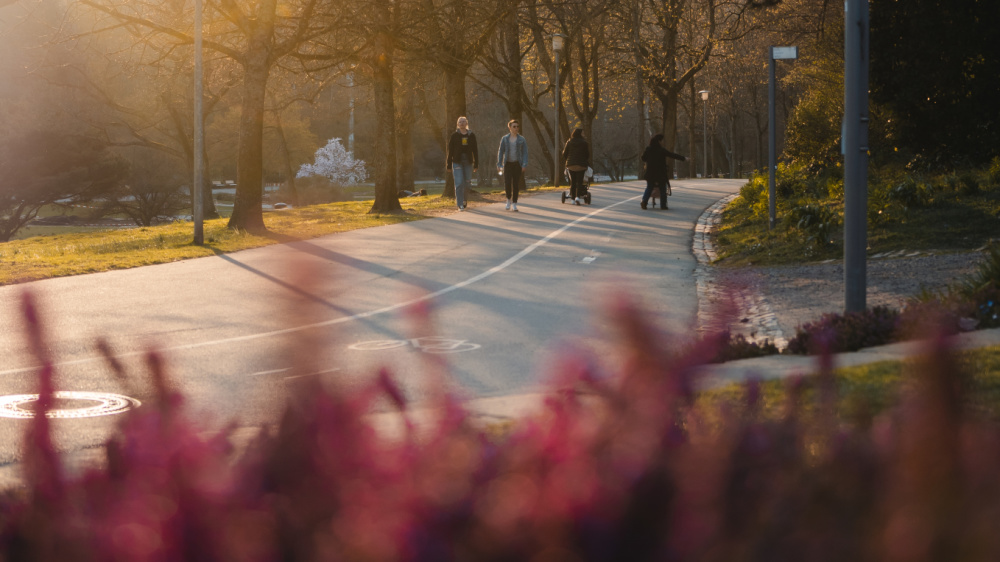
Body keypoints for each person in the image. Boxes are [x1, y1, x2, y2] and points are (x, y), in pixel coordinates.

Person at [640, 134, 686, 210]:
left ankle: (644, 202)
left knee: (649, 187)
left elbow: (643, 158)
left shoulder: (648, 149)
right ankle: (663, 205)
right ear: (659, 141)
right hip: (660, 174)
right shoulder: (661, 150)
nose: (663, 142)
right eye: (662, 141)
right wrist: (683, 158)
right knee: (662, 189)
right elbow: (672, 155)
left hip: (650, 173)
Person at [446, 116, 478, 211]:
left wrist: (476, 164)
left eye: (464, 121)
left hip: (468, 161)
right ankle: (459, 204)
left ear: (466, 123)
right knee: (459, 183)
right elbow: (450, 151)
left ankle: (464, 200)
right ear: (458, 124)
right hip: (457, 162)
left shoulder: (471, 135)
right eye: (460, 122)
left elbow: (475, 150)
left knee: (467, 184)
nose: (462, 123)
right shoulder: (454, 136)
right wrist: (448, 164)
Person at [496, 119, 528, 211]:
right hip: (507, 164)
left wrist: (524, 164)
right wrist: (499, 164)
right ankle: (508, 200)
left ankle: (514, 203)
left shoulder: (522, 139)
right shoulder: (505, 139)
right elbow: (500, 151)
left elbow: (525, 152)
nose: (516, 128)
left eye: (517, 126)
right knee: (507, 183)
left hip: (517, 164)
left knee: (516, 184)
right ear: (510, 127)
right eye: (514, 126)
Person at [561, 128, 590, 205]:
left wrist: (568, 160)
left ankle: (572, 199)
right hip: (581, 165)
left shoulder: (569, 142)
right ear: (580, 134)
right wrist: (584, 160)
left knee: (572, 182)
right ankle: (577, 197)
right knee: (579, 182)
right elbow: (587, 154)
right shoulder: (584, 143)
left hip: (571, 165)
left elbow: (564, 153)